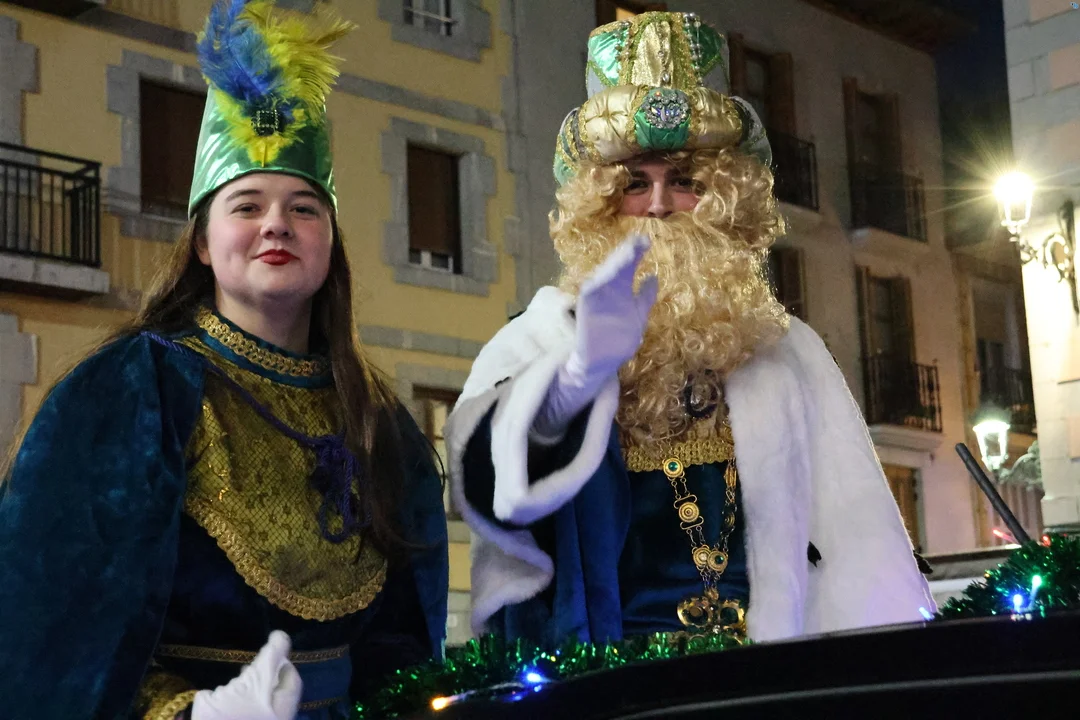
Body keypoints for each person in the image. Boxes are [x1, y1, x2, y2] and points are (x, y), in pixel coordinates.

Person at [0, 1, 448, 718]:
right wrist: (196, 714)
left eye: (304, 207)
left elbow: (404, 641)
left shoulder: (379, 419)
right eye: (246, 205)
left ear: (331, 242)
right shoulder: (131, 393)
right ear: (203, 243)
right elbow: (55, 635)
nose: (277, 224)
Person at [447, 11, 933, 649]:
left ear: (725, 201)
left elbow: (856, 536)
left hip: (766, 672)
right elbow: (486, 492)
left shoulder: (786, 350)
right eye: (633, 184)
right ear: (597, 205)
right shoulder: (538, 340)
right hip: (611, 678)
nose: (657, 205)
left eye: (683, 182)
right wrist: (573, 380)